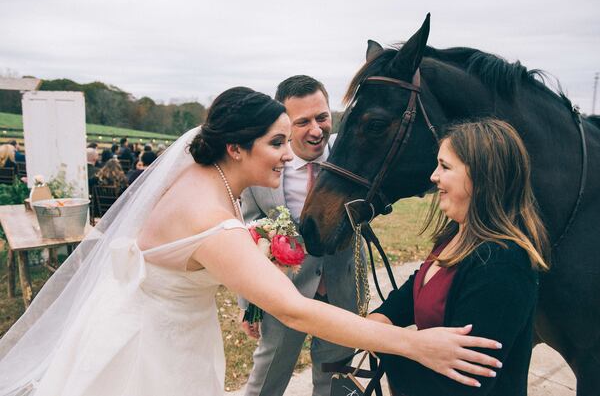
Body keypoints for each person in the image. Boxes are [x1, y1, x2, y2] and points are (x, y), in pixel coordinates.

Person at [0, 88, 502, 396]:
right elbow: (298, 311)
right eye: (277, 142)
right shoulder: (211, 217)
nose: (289, 154)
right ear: (236, 147)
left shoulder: (195, 177)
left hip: (144, 325)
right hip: (156, 353)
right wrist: (414, 343)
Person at [368, 119, 550, 396]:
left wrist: (392, 344)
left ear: (481, 176)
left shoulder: (503, 263)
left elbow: (461, 384)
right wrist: (382, 324)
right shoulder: (455, 237)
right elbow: (409, 298)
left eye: (445, 166)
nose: (433, 176)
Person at [240, 75, 358, 396]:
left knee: (336, 386)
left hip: (341, 295)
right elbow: (248, 240)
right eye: (303, 122)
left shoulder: (354, 161)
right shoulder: (261, 172)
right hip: (283, 298)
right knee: (265, 385)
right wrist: (248, 304)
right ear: (284, 123)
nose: (317, 130)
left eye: (322, 117)